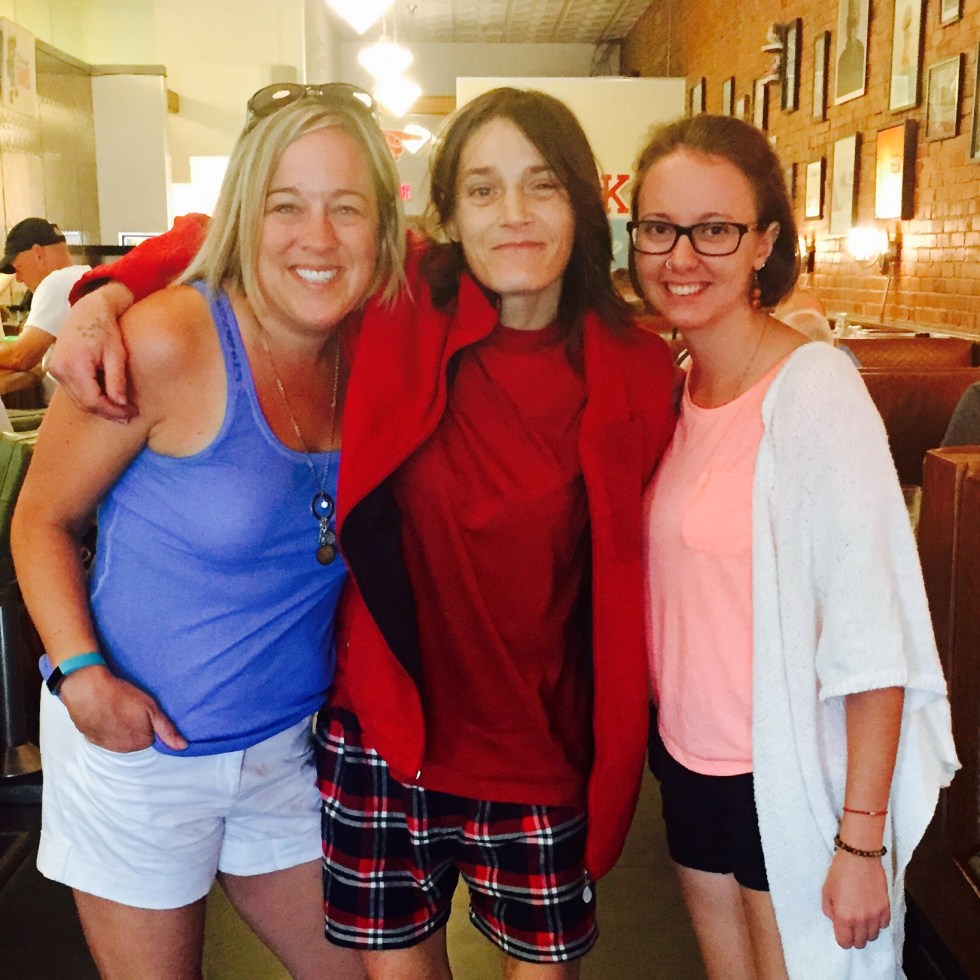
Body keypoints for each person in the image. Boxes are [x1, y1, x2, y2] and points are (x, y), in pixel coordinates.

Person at [48, 87, 677, 978]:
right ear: (447, 215)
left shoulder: (638, 370)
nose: (515, 213)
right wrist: (101, 292)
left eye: (542, 185)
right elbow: (247, 233)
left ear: (584, 200)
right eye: (483, 189)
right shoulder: (408, 305)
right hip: (381, 736)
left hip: (532, 748)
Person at [10, 82, 410, 979]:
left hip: (287, 751)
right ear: (245, 215)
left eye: (347, 208)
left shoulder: (373, 344)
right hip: (140, 753)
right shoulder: (166, 341)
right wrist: (81, 675)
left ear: (383, 227)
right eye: (285, 206)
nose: (318, 237)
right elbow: (41, 519)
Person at [626, 114, 958, 979]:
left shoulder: (814, 391)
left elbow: (873, 631)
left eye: (715, 229)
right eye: (660, 227)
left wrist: (862, 841)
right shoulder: (676, 386)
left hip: (792, 774)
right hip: (691, 764)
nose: (682, 256)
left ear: (764, 243)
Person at [0, 217, 90, 397]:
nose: (19, 279)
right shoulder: (83, 275)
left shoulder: (56, 282)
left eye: (18, 268)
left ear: (38, 254)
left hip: (72, 408)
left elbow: (21, 356)